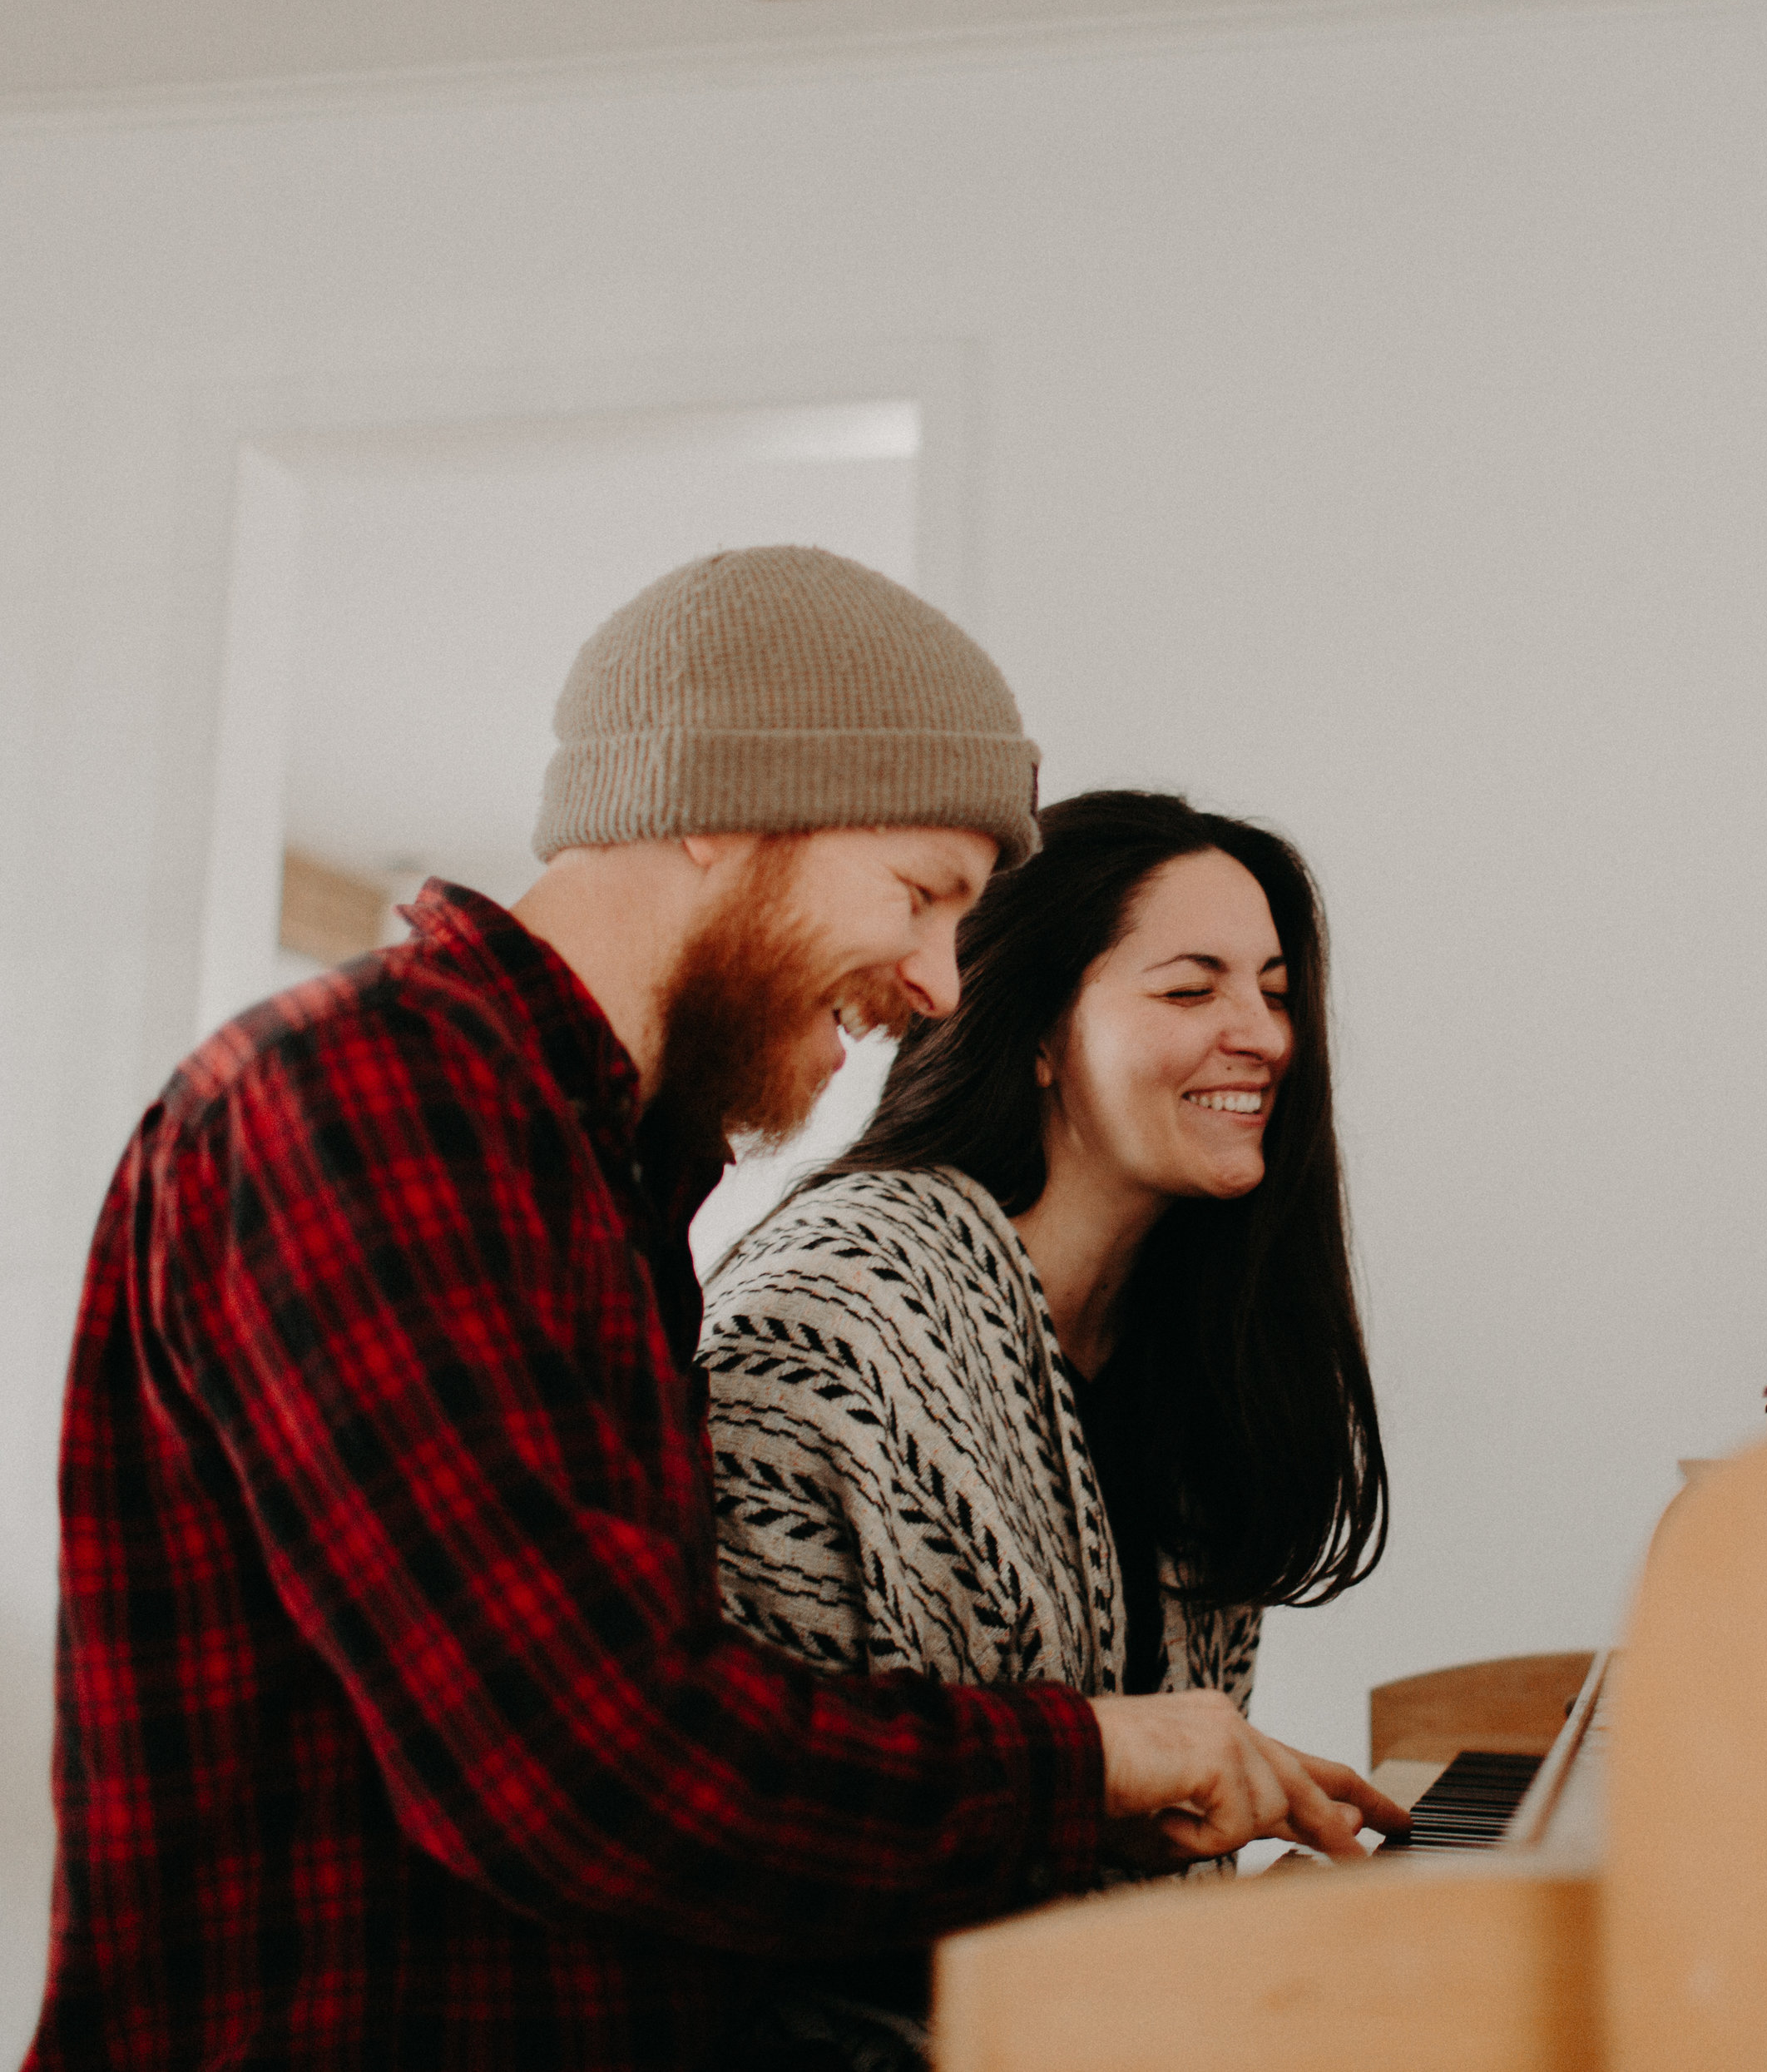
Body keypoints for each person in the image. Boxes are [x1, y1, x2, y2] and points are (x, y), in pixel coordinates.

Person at [27, 548, 1403, 2072]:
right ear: (712, 808)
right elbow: (583, 1772)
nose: (943, 984)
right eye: (921, 892)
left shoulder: (605, 1172)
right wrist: (1089, 1759)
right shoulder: (363, 1098)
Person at [702, 791, 1391, 2059]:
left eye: (1277, 990)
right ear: (1036, 1036)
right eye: (1191, 992)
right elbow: (747, 1825)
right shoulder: (836, 1313)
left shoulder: (1176, 1347)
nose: (1263, 1036)